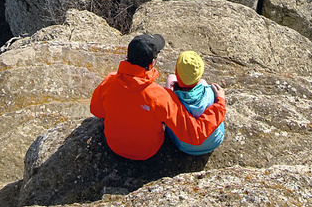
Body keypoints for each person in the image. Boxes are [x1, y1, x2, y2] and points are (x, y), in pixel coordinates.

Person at [89, 33, 226, 161]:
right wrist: (219, 104)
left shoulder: (109, 81)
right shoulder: (160, 96)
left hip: (114, 145)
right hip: (147, 151)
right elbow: (194, 133)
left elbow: (97, 111)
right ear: (152, 63)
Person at [164, 50, 224, 155]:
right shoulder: (212, 92)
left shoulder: (171, 99)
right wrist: (221, 98)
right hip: (214, 141)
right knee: (204, 83)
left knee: (170, 78)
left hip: (183, 144)